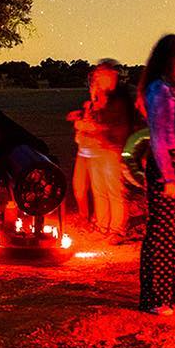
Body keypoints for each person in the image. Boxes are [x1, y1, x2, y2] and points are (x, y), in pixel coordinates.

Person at [138, 33, 175, 314]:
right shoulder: (159, 91)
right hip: (164, 163)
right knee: (161, 231)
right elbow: (158, 137)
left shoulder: (174, 89)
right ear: (171, 60)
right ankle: (155, 297)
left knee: (174, 232)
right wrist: (169, 177)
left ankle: (168, 293)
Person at [69, 61, 134, 242]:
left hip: (111, 148)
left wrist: (94, 127)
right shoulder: (100, 96)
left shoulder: (118, 99)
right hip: (97, 149)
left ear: (110, 76)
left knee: (114, 190)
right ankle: (103, 226)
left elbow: (117, 125)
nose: (97, 79)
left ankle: (118, 229)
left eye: (100, 75)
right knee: (99, 190)